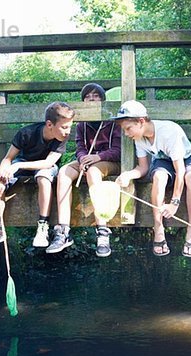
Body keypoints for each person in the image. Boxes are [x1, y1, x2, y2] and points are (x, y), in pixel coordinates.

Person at [0, 102, 75, 251]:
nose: (68, 132)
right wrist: (1, 175)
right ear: (49, 124)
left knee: (44, 176)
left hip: (44, 166)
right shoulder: (26, 133)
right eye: (64, 127)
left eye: (70, 127)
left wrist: (17, 166)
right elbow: (8, 158)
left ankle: (43, 226)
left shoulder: (61, 138)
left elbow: (48, 163)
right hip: (22, 162)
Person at [113, 100, 191, 257]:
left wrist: (174, 203)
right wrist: (128, 175)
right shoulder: (139, 138)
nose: (126, 134)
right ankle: (158, 227)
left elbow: (180, 170)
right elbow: (143, 168)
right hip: (163, 160)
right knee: (159, 177)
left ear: (141, 121)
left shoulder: (168, 132)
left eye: (128, 129)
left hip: (186, 159)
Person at [46, 83, 122, 257]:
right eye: (88, 96)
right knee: (64, 172)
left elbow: (118, 150)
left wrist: (98, 157)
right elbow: (80, 146)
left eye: (96, 95)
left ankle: (102, 231)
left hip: (109, 162)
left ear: (103, 100)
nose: (92, 98)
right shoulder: (81, 124)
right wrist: (81, 159)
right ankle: (63, 231)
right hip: (87, 161)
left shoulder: (112, 121)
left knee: (94, 172)